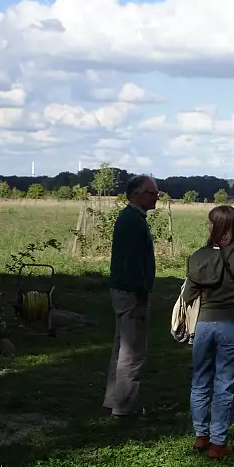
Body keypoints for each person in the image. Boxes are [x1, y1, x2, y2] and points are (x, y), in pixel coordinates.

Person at [182, 205, 234, 459]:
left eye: (209, 223)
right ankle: (218, 444)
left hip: (204, 325)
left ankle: (200, 436)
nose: (207, 226)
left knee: (200, 380)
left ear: (216, 226)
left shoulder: (198, 256)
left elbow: (188, 295)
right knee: (224, 384)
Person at [104, 174, 158, 422]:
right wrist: (142, 291)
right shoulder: (133, 221)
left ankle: (113, 400)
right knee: (133, 352)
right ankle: (124, 409)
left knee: (121, 346)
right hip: (131, 291)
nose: (156, 197)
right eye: (151, 193)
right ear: (136, 194)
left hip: (123, 289)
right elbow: (134, 263)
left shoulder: (131, 218)